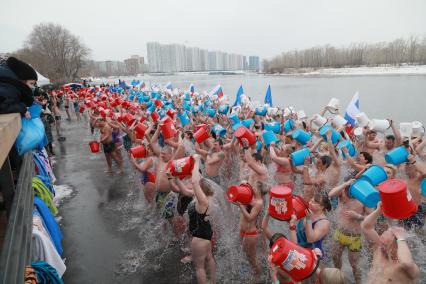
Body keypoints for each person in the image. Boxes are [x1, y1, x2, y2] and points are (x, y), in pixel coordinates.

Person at [361, 202, 420, 284]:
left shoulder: (404, 266)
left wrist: (401, 237)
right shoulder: (378, 248)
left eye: (386, 233)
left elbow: (407, 263)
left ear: (395, 242)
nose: (381, 235)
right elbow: (366, 227)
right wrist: (379, 210)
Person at [328, 178, 366, 284]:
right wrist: (345, 184)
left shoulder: (363, 197)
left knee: (355, 265)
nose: (348, 191)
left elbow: (370, 217)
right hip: (340, 233)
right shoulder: (342, 192)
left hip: (354, 237)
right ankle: (338, 278)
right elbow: (330, 194)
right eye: (347, 188)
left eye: (351, 188)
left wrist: (357, 216)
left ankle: (358, 282)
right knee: (335, 256)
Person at [188, 155, 217, 284]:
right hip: (207, 234)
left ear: (201, 190)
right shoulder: (208, 199)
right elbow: (186, 188)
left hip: (199, 238)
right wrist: (173, 179)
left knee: (199, 267)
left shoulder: (202, 201)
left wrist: (197, 161)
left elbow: (194, 182)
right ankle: (213, 281)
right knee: (209, 258)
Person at [238, 181, 264, 281]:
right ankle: (253, 272)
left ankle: (259, 276)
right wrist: (242, 185)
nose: (252, 189)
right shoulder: (249, 196)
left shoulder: (259, 202)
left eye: (255, 188)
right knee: (246, 255)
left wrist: (241, 206)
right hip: (243, 231)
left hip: (250, 233)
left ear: (259, 191)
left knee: (252, 259)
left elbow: (249, 218)